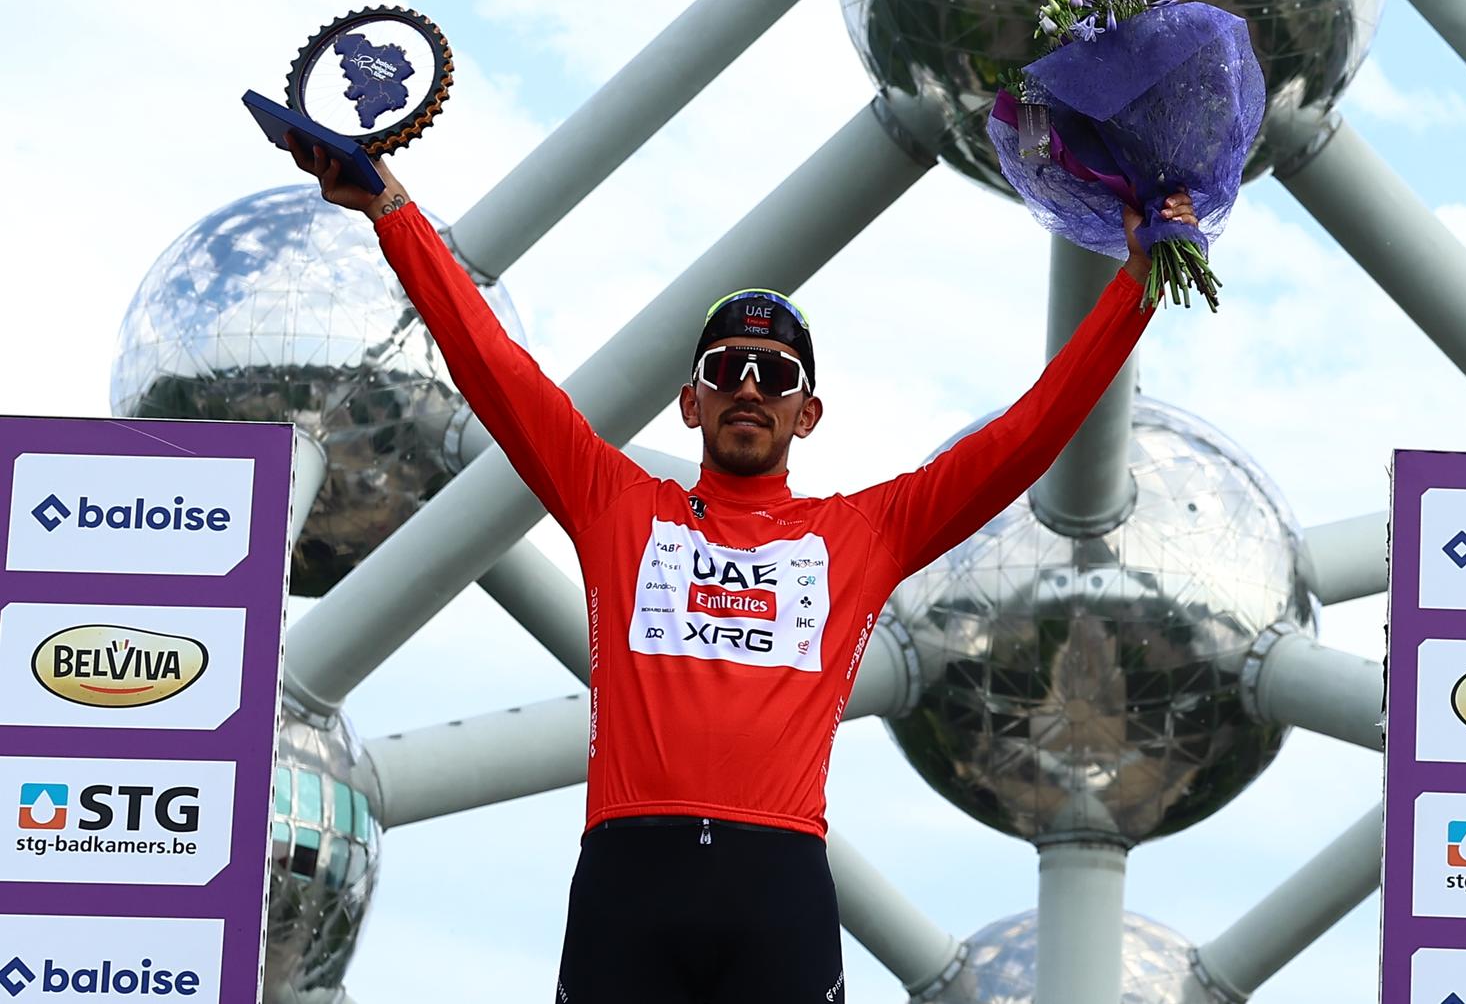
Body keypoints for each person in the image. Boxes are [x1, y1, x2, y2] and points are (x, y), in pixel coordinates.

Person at [289, 136, 1193, 1002]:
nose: (750, 385)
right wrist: (390, 208)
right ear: (692, 401)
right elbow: (493, 367)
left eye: (775, 372)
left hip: (777, 883)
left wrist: (1140, 284)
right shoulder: (614, 500)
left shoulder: (867, 531)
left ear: (808, 413)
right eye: (728, 368)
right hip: (629, 878)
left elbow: (1027, 434)